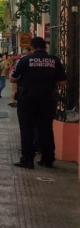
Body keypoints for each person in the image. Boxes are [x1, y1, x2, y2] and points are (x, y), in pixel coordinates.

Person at [10, 37, 67, 169]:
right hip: (47, 99)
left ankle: (27, 159)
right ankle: (48, 159)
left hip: (27, 99)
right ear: (45, 47)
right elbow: (63, 82)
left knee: (26, 128)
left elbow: (13, 79)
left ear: (31, 47)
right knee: (46, 128)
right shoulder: (54, 61)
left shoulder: (24, 60)